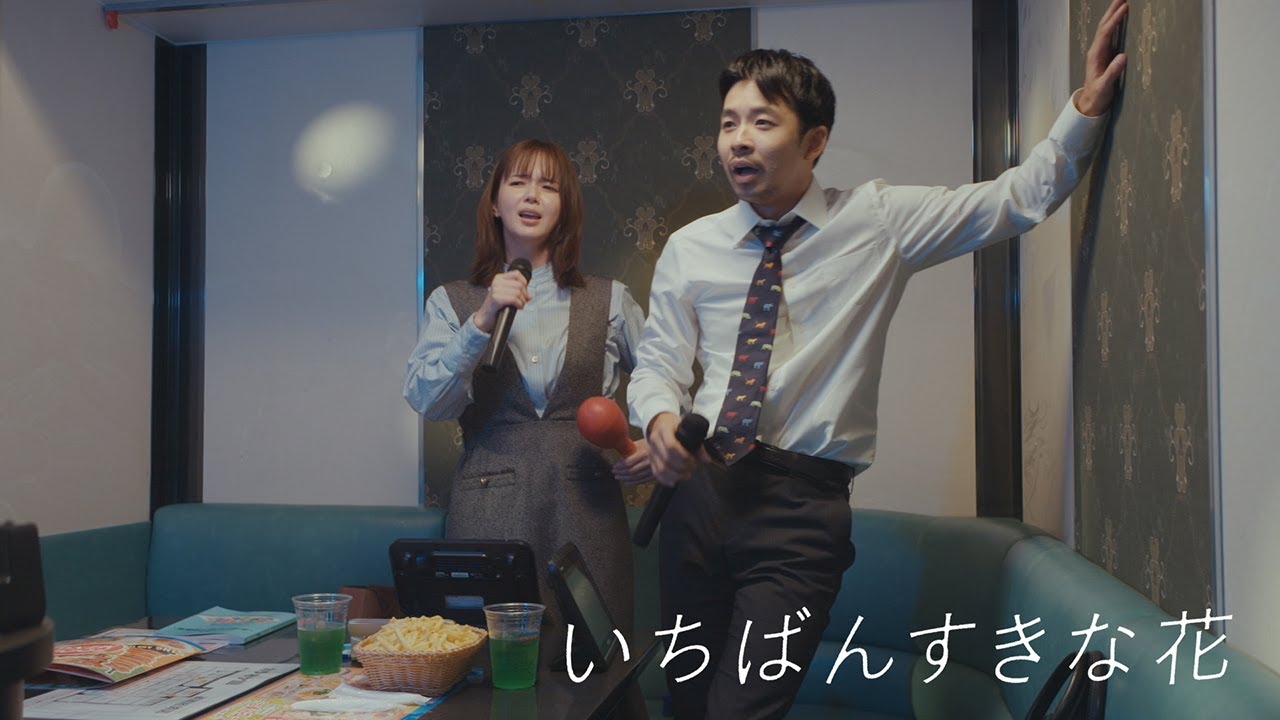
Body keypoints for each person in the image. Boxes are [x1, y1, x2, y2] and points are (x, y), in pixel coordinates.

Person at [627, 1, 1130, 717]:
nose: (738, 140)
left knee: (741, 710)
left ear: (815, 141)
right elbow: (658, 361)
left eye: (762, 122)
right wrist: (658, 421)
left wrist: (1084, 108)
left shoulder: (877, 220)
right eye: (729, 122)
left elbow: (1016, 198)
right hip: (698, 500)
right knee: (687, 703)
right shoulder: (691, 247)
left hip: (799, 511)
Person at [403, 139, 651, 644]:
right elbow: (428, 401)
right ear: (495, 204)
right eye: (518, 182)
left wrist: (655, 440)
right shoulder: (452, 302)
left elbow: (661, 377)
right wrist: (481, 320)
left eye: (548, 186)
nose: (532, 195)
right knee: (490, 658)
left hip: (588, 509)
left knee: (596, 659)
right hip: (488, 510)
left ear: (565, 207)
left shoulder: (610, 299)